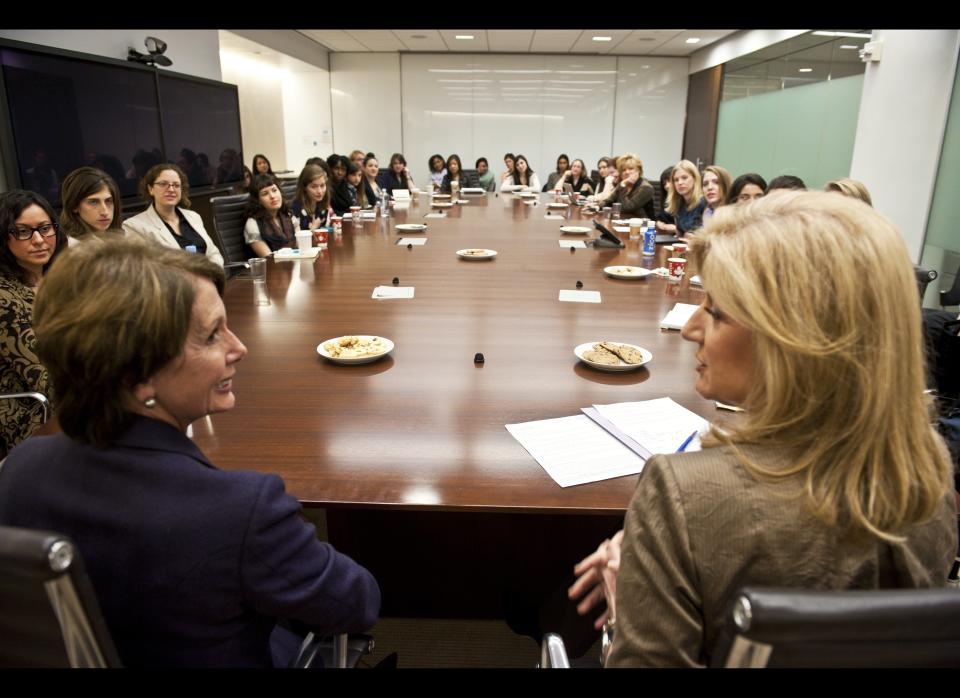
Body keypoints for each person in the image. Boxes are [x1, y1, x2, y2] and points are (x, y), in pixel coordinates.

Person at [568, 192, 958, 667]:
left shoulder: (680, 494)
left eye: (714, 311)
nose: (692, 328)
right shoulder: (930, 476)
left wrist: (624, 611)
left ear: (789, 337)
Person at [0, 239, 380, 667]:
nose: (238, 348)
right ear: (139, 376)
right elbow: (356, 603)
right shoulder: (240, 511)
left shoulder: (20, 467)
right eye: (212, 334)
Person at [0, 190, 67, 459]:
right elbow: (42, 377)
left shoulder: (62, 279)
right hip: (31, 412)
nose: (39, 240)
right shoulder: (4, 297)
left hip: (76, 392)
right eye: (23, 232)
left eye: (44, 228)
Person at [123, 164, 223, 267]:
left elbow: (214, 254)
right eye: (163, 184)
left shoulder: (194, 217)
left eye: (176, 185)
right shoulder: (133, 226)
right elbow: (143, 269)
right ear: (150, 189)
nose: (171, 189)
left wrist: (210, 275)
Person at [59, 167, 123, 243]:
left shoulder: (122, 237)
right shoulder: (71, 246)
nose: (105, 212)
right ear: (74, 206)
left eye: (108, 201)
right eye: (93, 202)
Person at [244, 174, 297, 257]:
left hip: (295, 264)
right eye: (265, 194)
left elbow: (301, 247)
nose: (272, 196)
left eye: (274, 190)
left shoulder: (288, 215)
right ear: (258, 200)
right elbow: (269, 259)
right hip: (271, 267)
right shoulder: (253, 223)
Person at [657, 160, 705, 237]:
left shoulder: (703, 203)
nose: (680, 182)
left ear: (695, 178)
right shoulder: (679, 203)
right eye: (676, 180)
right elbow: (680, 233)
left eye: (684, 178)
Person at [290, 164, 332, 233]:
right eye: (314, 187)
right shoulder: (295, 209)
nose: (320, 191)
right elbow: (296, 240)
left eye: (322, 185)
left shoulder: (323, 205)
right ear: (304, 187)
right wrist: (313, 229)